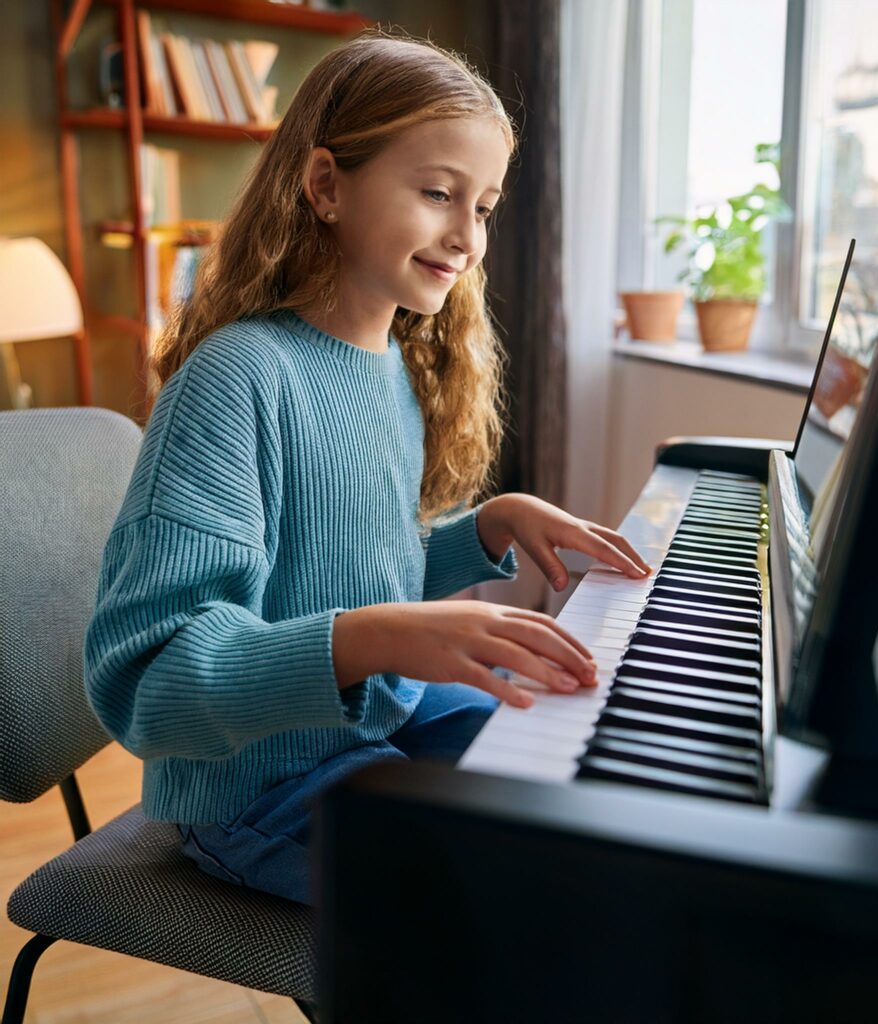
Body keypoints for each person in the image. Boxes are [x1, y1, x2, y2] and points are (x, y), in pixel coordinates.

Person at [84, 29, 652, 906]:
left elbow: (345, 575)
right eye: (437, 193)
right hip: (257, 788)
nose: (467, 237)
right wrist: (379, 638)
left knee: (584, 788)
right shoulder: (239, 379)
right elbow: (149, 682)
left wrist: (487, 528)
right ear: (325, 186)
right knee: (526, 895)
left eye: (487, 207)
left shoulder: (393, 368)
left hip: (384, 719)